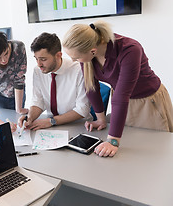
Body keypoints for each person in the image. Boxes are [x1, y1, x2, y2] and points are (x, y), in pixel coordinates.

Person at [62, 20, 173, 157]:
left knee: (153, 153)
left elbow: (121, 96)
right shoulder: (89, 55)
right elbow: (91, 87)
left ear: (93, 51)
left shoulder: (130, 49)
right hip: (123, 103)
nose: (74, 61)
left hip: (148, 102)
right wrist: (100, 119)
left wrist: (113, 141)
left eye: (76, 58)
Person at [18, 32, 91, 131]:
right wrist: (29, 118)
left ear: (58, 55)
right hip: (52, 127)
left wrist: (51, 121)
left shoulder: (79, 70)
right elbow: (38, 101)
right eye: (36, 59)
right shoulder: (38, 71)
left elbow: (82, 110)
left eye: (43, 59)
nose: (39, 64)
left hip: (78, 126)